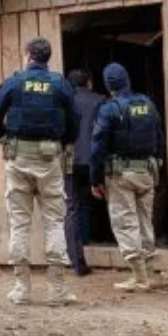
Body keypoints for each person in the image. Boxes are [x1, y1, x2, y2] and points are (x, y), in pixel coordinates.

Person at [0, 37, 79, 306]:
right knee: (54, 221)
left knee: (19, 222)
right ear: (47, 58)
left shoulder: (13, 83)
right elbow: (75, 122)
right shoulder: (60, 84)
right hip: (50, 159)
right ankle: (57, 289)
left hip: (17, 159)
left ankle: (21, 288)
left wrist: (8, 142)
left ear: (28, 56)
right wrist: (61, 144)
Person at [89, 62, 165, 292]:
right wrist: (157, 163)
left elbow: (97, 147)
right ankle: (149, 272)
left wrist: (95, 179)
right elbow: (159, 138)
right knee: (144, 221)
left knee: (125, 223)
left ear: (108, 84)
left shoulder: (110, 108)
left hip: (120, 175)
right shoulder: (147, 103)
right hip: (146, 172)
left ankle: (139, 278)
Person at [64, 68, 105, 277]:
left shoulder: (65, 99)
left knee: (71, 208)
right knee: (93, 201)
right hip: (92, 160)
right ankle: (90, 239)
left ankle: (77, 261)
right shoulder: (100, 101)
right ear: (88, 82)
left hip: (69, 160)